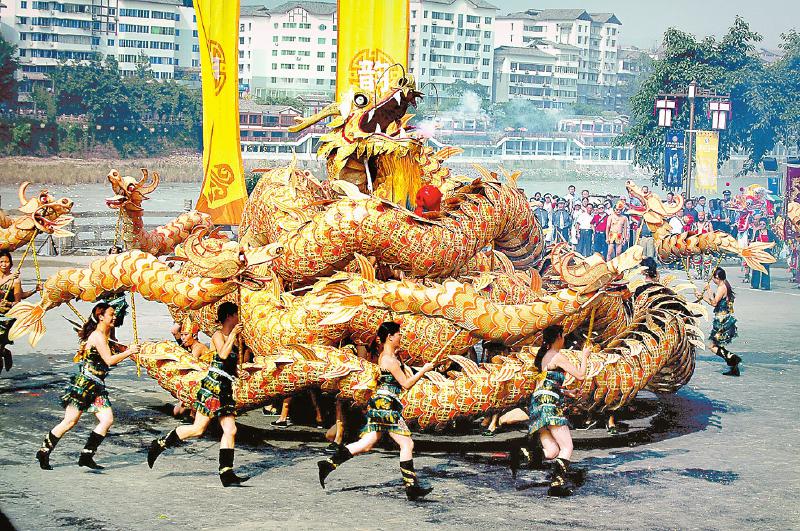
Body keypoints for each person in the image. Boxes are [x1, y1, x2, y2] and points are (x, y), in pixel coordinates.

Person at [317, 321, 436, 501]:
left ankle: (328, 464)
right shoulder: (389, 360)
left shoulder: (388, 357)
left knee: (367, 443)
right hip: (387, 406)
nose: (401, 337)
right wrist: (424, 370)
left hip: (381, 403)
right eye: (399, 335)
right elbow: (406, 384)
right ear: (390, 337)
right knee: (407, 444)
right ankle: (411, 487)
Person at [147, 301, 248, 486]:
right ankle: (161, 443)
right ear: (228, 316)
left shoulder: (234, 337)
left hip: (225, 387)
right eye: (236, 315)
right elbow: (223, 355)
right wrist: (233, 335)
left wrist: (238, 372)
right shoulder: (219, 335)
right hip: (213, 387)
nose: (238, 319)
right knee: (198, 429)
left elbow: (227, 363)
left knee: (230, 430)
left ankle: (227, 473)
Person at [35, 302, 138, 470]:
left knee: (107, 420)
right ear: (101, 317)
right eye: (111, 314)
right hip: (84, 385)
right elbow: (110, 360)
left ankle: (86, 455)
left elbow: (112, 348)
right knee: (69, 421)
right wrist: (129, 352)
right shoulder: (97, 336)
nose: (115, 317)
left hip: (97, 386)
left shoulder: (107, 333)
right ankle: (44, 451)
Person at [528, 325, 589, 496]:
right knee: (567, 446)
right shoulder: (557, 356)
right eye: (563, 336)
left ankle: (523, 453)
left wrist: (567, 392)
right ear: (558, 338)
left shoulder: (543, 357)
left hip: (538, 405)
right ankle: (557, 483)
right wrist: (585, 356)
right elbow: (581, 375)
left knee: (552, 451)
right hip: (550, 406)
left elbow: (548, 384)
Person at [0, 249, 41, 374]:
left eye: (6, 262)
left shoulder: (15, 281)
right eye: (1, 261)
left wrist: (34, 290)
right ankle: (5, 352)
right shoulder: (8, 279)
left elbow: (19, 299)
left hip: (5, 318)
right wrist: (7, 279)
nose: (3, 264)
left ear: (11, 264)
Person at [697, 268, 741, 376]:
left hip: (722, 321)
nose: (712, 280)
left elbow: (714, 303)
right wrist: (704, 296)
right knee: (716, 345)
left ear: (717, 278)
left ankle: (733, 358)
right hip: (723, 319)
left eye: (713, 278)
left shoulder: (722, 288)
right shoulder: (725, 284)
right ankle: (733, 366)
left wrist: (706, 292)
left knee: (712, 346)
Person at [172, 317, 211, 418]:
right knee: (177, 412)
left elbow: (188, 364)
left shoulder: (198, 347)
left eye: (186, 335)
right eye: (182, 335)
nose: (183, 338)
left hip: (206, 382)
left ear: (194, 335)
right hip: (197, 379)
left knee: (187, 413)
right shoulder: (190, 346)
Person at [750, 219, 773, 291]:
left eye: (763, 224)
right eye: (760, 224)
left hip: (766, 253)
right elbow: (754, 241)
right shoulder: (757, 232)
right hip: (758, 252)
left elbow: (775, 240)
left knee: (765, 269)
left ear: (766, 225)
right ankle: (754, 284)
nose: (762, 225)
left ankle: (765, 285)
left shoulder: (769, 232)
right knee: (756, 268)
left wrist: (771, 245)